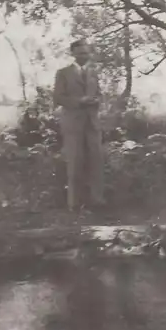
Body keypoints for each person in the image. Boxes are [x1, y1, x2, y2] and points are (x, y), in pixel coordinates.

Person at [53, 39, 105, 212]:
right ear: (73, 54)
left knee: (96, 161)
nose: (85, 56)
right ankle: (74, 204)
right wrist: (80, 101)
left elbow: (99, 94)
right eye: (81, 53)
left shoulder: (93, 72)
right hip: (73, 124)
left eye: (87, 52)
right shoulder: (63, 73)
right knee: (75, 163)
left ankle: (96, 201)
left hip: (92, 123)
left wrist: (96, 101)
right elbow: (58, 98)